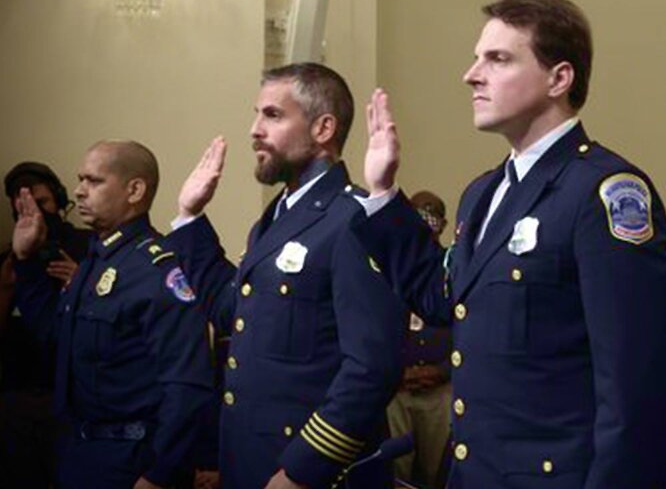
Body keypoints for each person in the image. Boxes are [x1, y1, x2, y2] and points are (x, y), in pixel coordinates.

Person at [358, 0, 666, 487]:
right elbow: (443, 298)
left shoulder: (603, 193)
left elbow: (637, 389)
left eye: (498, 58)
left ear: (559, 78)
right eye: (477, 58)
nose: (472, 74)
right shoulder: (483, 195)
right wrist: (383, 194)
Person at [171, 63, 403, 489]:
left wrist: (304, 467)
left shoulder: (354, 219)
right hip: (253, 460)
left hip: (312, 471)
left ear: (323, 128)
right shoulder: (278, 218)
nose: (255, 130)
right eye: (256, 114)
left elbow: (373, 367)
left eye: (273, 116)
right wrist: (189, 220)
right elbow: (233, 313)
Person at [10, 141, 216, 488]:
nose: (78, 191)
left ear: (134, 190)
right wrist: (26, 261)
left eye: (93, 181)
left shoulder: (157, 270)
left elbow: (187, 387)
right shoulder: (96, 261)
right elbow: (53, 332)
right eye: (79, 180)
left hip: (133, 461)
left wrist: (159, 475)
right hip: (79, 451)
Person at [0, 162, 92, 489]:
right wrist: (8, 286)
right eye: (25, 207)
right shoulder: (10, 260)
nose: (37, 213)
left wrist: (82, 282)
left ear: (59, 200)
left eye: (43, 203)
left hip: (73, 404)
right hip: (17, 401)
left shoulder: (89, 248)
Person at [385, 189, 454, 488]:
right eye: (418, 215)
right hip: (395, 388)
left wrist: (441, 370)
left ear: (444, 223)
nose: (426, 223)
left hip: (441, 389)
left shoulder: (455, 268)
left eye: (432, 215)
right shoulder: (389, 268)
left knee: (437, 471)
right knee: (395, 473)